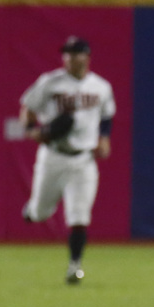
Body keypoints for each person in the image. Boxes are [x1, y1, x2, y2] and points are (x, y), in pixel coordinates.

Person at [20, 36, 115, 284]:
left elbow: (106, 115)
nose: (70, 58)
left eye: (76, 53)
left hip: (84, 160)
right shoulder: (50, 83)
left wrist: (104, 138)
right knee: (40, 213)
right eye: (67, 53)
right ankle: (32, 209)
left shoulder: (101, 86)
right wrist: (32, 131)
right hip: (53, 156)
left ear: (87, 56)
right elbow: (28, 107)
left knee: (79, 215)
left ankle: (75, 266)